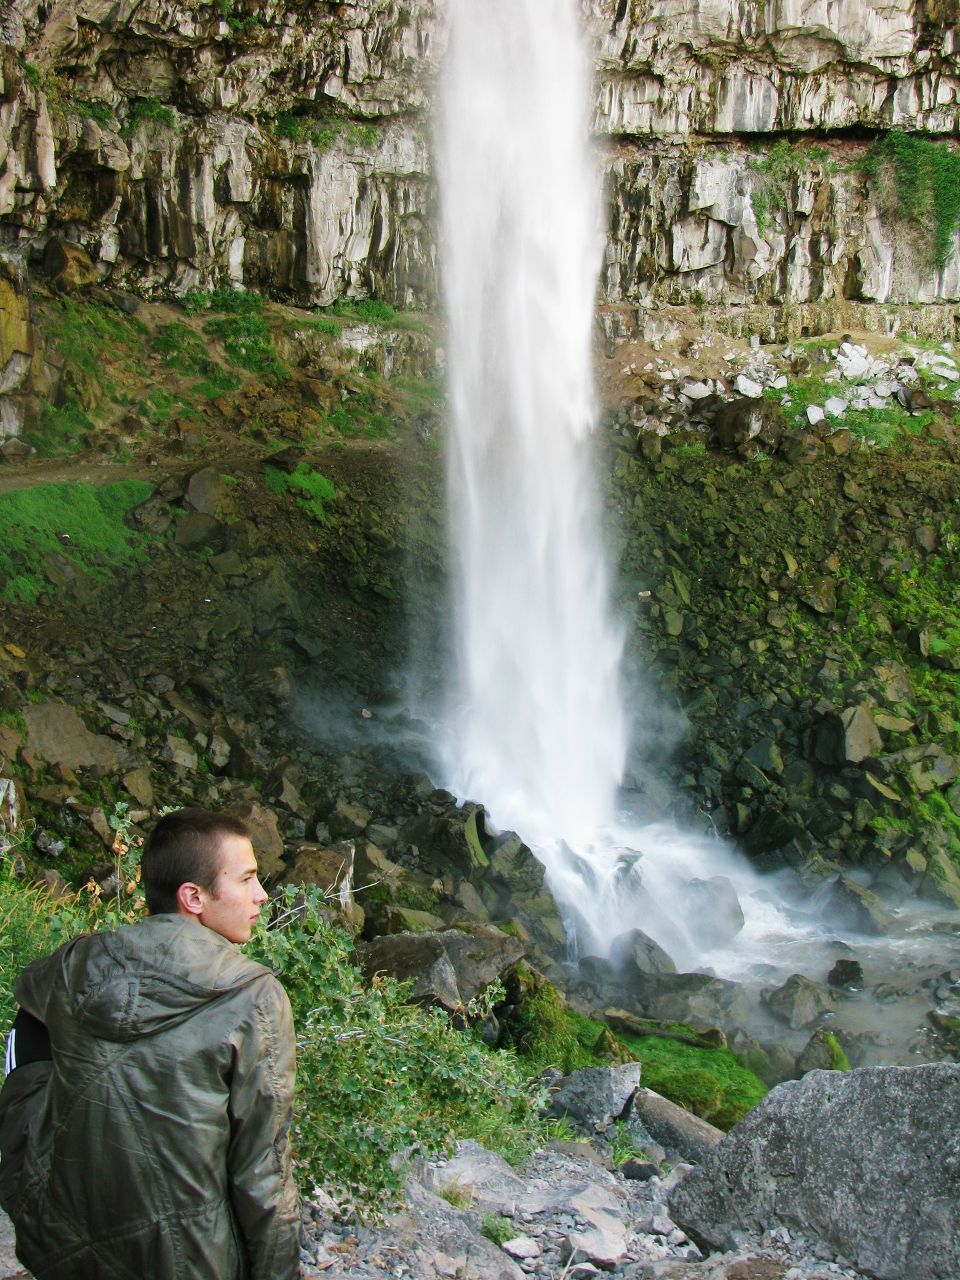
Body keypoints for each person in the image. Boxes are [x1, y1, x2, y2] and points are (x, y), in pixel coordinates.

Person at [0, 807, 302, 1280]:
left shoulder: (74, 964)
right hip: (191, 1263)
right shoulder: (253, 997)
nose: (262, 896)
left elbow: (25, 1025)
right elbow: (262, 1173)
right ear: (193, 897)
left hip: (65, 1252)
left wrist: (26, 1171)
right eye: (246, 879)